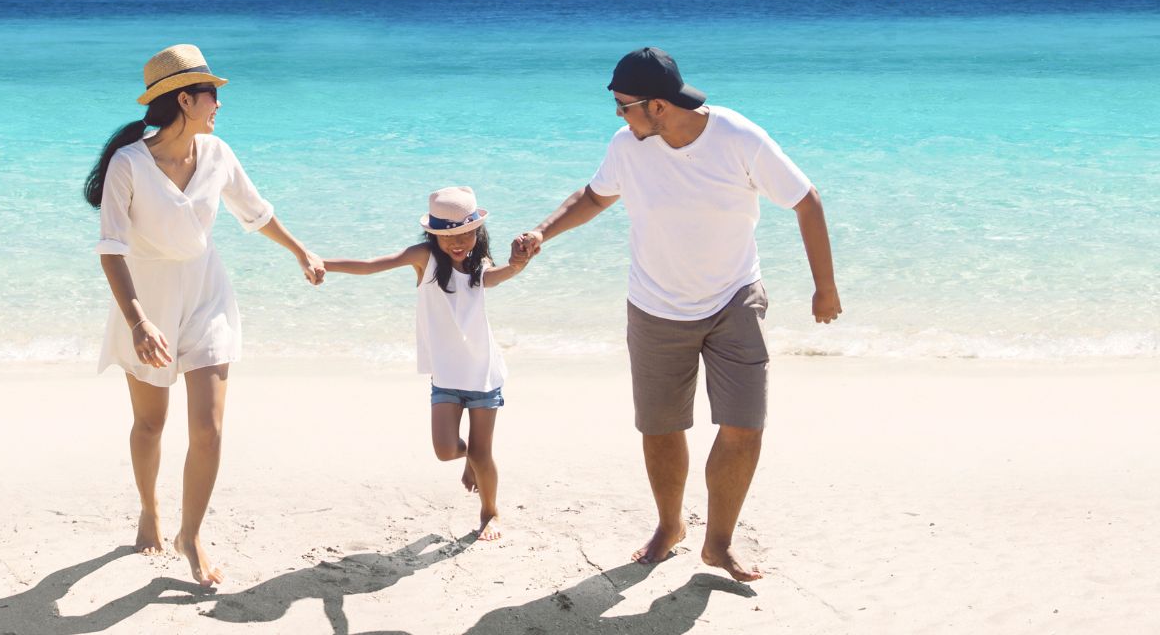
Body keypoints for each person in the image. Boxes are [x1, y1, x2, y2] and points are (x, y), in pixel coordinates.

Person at [513, 47, 840, 582]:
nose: (618, 116)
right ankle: (670, 525)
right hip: (655, 307)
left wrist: (824, 288)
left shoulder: (739, 137)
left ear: (659, 105)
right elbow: (594, 197)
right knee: (661, 427)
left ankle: (719, 543)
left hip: (734, 300)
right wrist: (542, 232)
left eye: (625, 106)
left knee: (744, 426)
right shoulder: (627, 146)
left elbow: (807, 200)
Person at [83, 44, 325, 586]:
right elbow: (111, 249)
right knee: (151, 423)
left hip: (207, 294)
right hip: (147, 302)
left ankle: (191, 535)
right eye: (211, 94)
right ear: (185, 100)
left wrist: (300, 250)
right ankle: (149, 509)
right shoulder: (128, 164)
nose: (219, 103)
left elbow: (255, 212)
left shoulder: (217, 153)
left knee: (209, 428)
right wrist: (138, 322)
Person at [322, 186, 528, 542]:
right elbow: (373, 265)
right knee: (445, 450)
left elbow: (495, 278)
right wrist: (322, 263)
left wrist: (517, 265)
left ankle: (490, 512)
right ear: (433, 235)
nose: (458, 242)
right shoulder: (425, 258)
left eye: (465, 233)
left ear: (477, 231)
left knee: (483, 453)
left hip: (483, 374)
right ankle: (470, 459)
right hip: (446, 375)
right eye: (448, 236)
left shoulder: (479, 263)